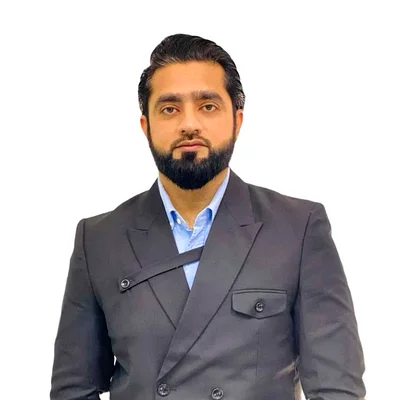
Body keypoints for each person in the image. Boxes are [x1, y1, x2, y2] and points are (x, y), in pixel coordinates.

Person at [50, 33, 366, 400]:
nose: (189, 123)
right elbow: (74, 389)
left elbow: (336, 387)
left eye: (208, 106)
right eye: (170, 109)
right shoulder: (99, 240)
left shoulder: (298, 228)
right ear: (146, 126)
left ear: (237, 121)